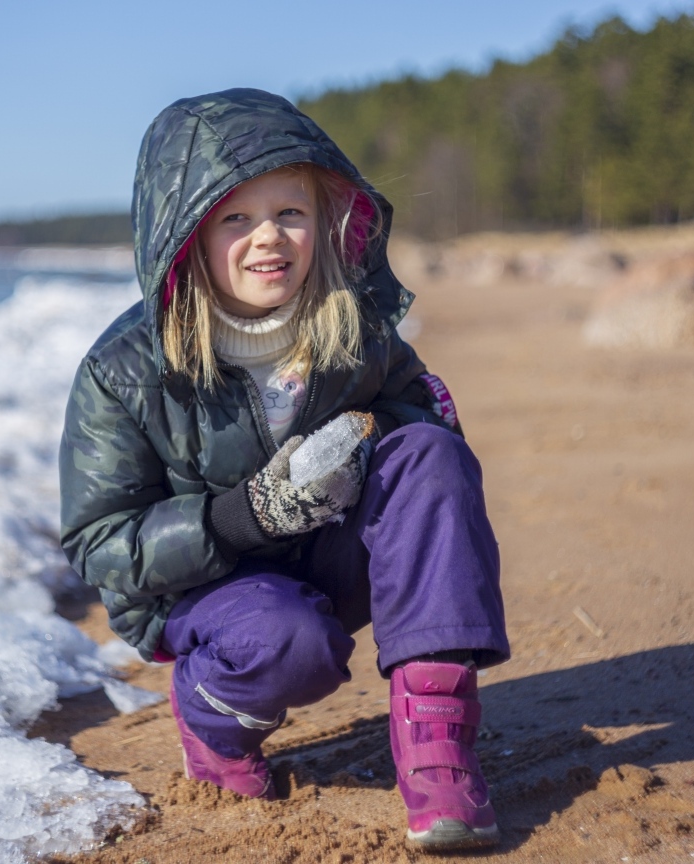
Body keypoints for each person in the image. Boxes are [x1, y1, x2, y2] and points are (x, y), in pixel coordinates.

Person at [59, 88, 509, 852]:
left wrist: (362, 436)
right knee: (289, 640)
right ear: (186, 234)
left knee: (431, 457)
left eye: (289, 212)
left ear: (326, 217)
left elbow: (424, 422)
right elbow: (99, 541)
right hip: (205, 589)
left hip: (328, 548)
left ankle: (437, 744)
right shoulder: (121, 372)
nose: (268, 238)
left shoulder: (351, 322)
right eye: (235, 217)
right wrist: (245, 514)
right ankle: (213, 722)